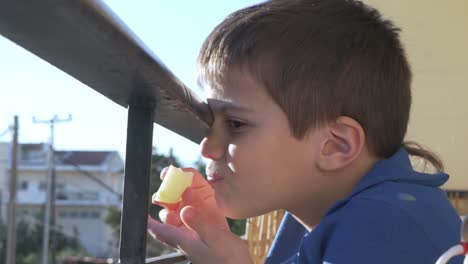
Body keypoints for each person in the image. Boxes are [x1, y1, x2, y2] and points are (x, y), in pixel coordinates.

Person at [147, 0, 463, 263]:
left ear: (334, 145)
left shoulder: (383, 228)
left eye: (235, 124)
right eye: (209, 122)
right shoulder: (327, 211)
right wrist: (216, 236)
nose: (206, 147)